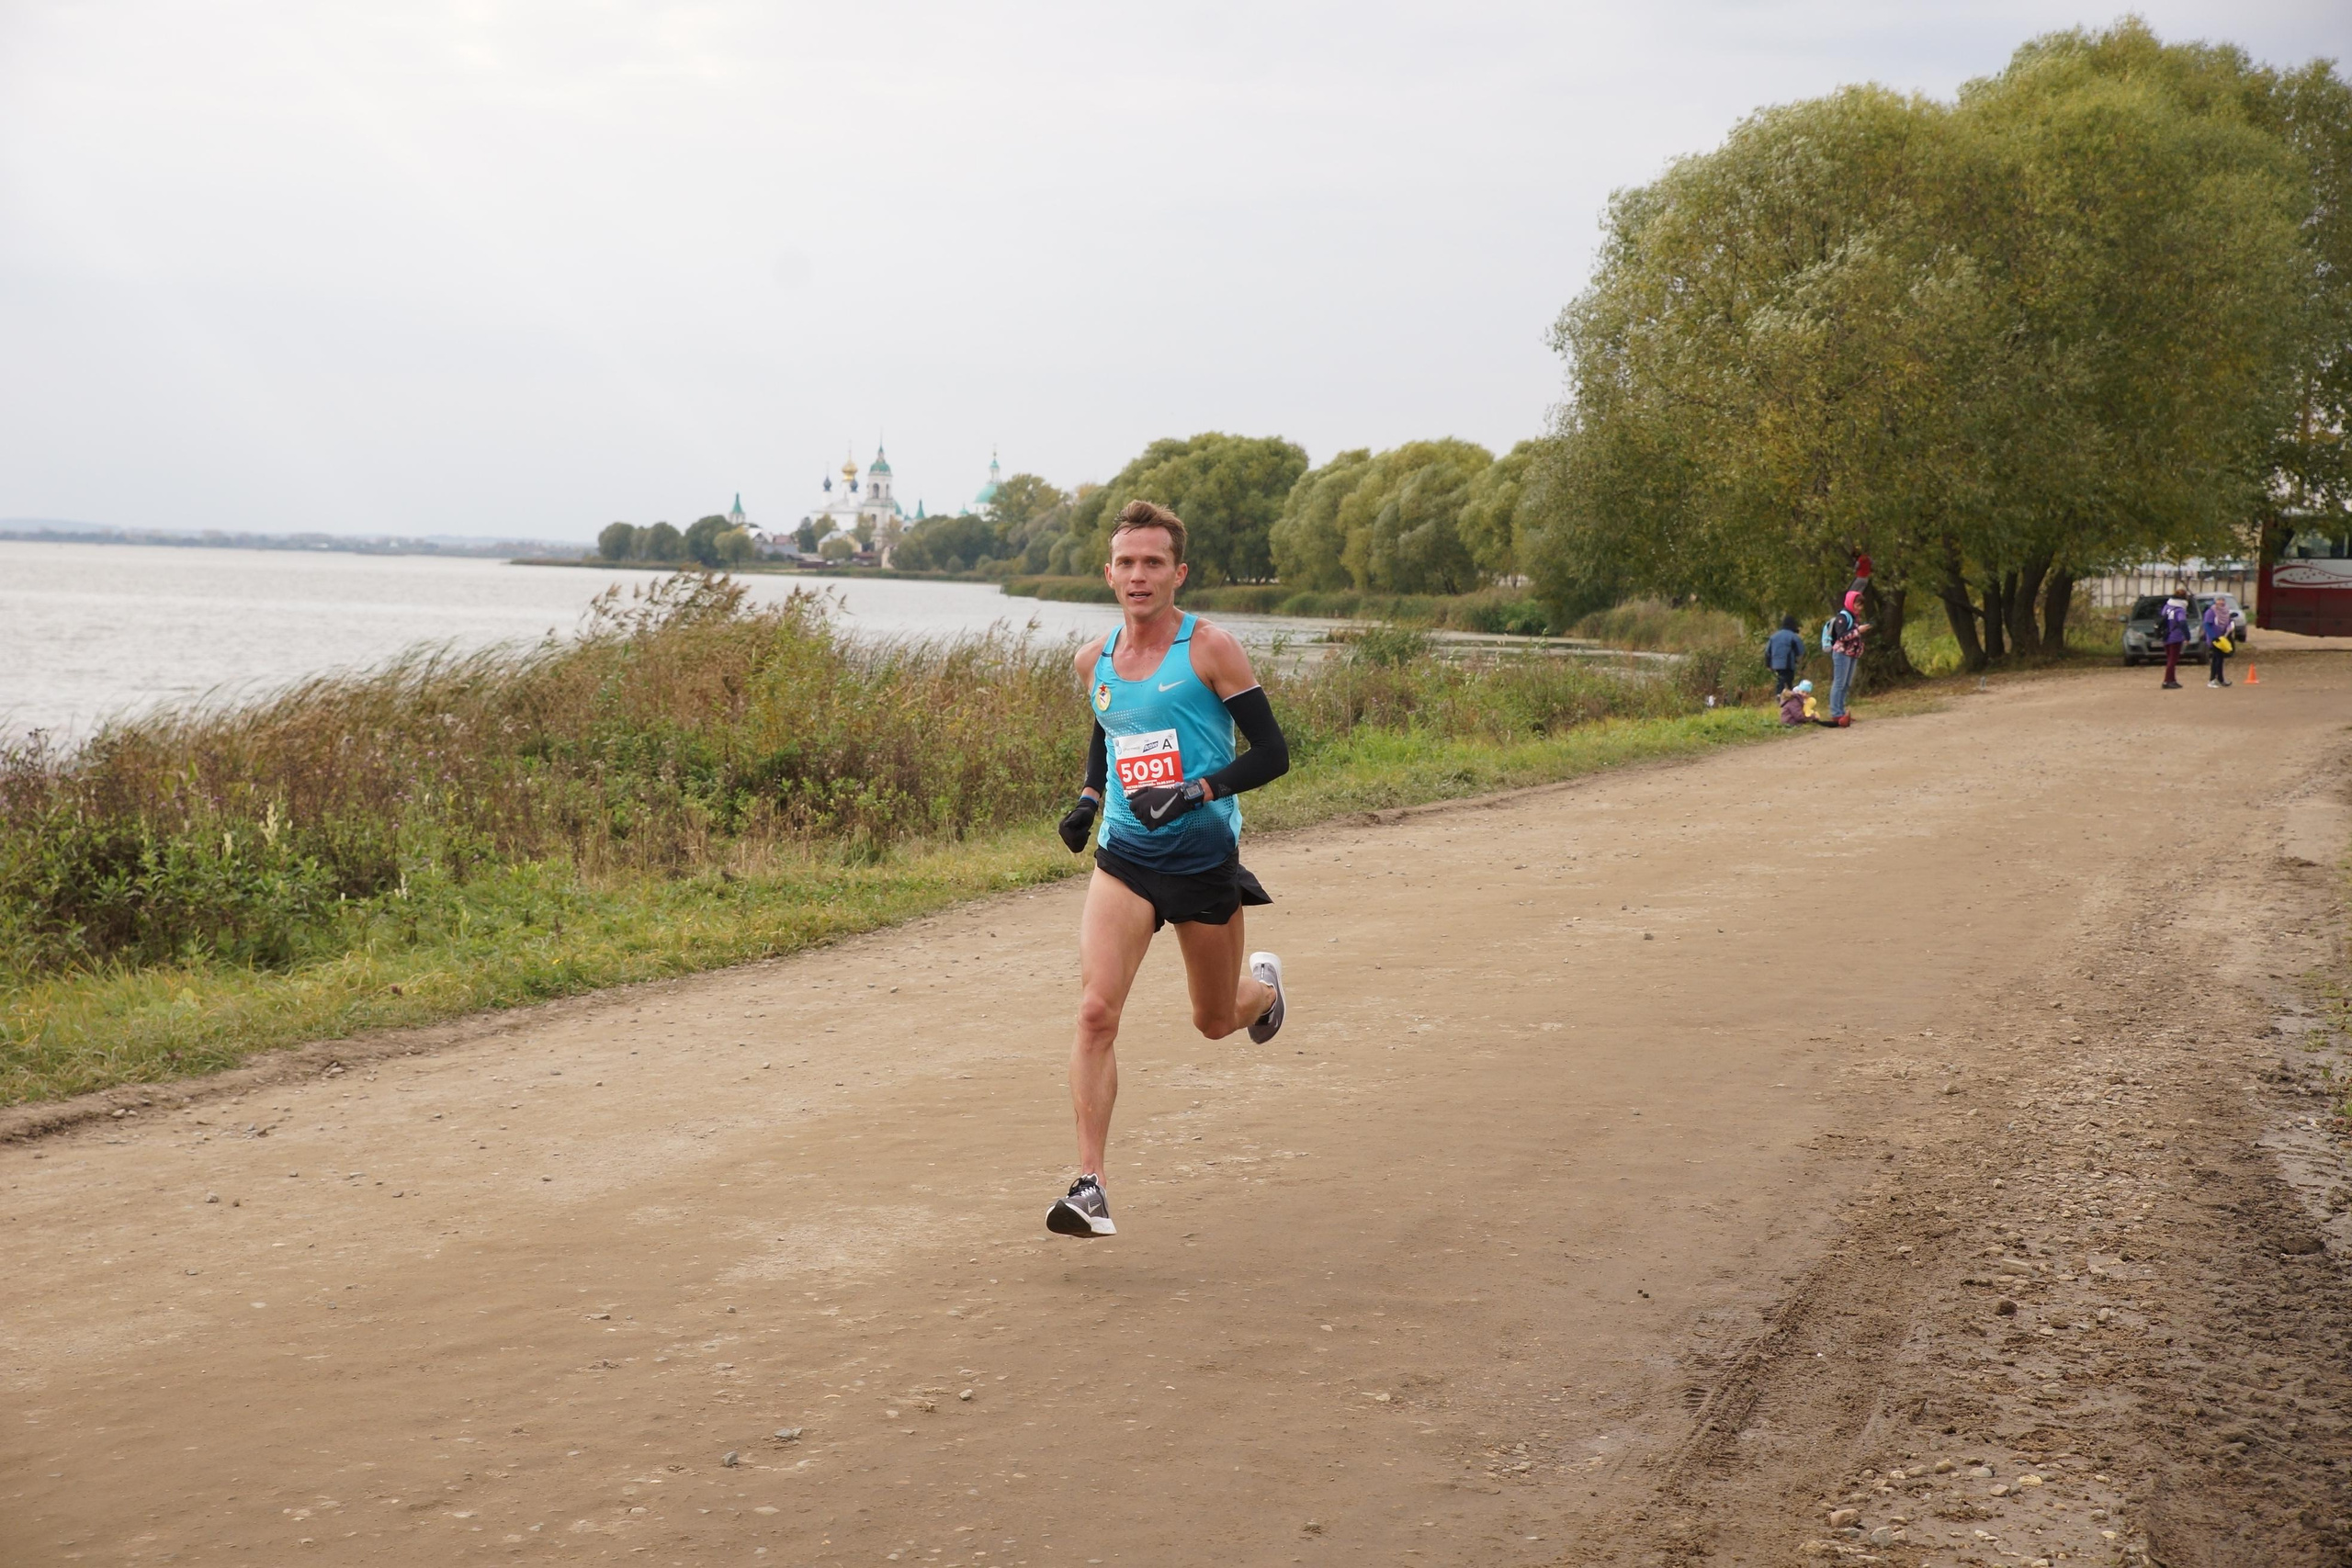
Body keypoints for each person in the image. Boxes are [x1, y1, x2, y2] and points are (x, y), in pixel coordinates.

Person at [1045, 500, 1292, 1239]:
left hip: (1204, 858)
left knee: (1214, 1021)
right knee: (1095, 1011)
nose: (1139, 575)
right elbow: (1109, 725)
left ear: (1177, 573)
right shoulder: (1094, 660)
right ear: (1110, 572)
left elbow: (1272, 753)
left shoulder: (1210, 649)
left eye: (1154, 562)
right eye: (1126, 562)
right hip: (1125, 859)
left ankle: (1265, 992)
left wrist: (1196, 789)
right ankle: (1091, 1185)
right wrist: (1090, 800)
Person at [1826, 591, 1872, 725]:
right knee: (1839, 683)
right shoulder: (1843, 617)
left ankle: (1841, 711)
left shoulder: (1854, 617)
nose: (1859, 608)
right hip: (1842, 653)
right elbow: (1841, 636)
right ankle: (1836, 713)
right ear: (1850, 603)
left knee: (1846, 684)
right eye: (1857, 605)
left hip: (1852, 654)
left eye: (1861, 606)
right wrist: (1858, 631)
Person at [2157, 587, 2190, 689]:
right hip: (2175, 636)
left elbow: (2166, 618)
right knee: (2173, 660)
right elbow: (2182, 622)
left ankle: (2172, 680)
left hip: (2166, 635)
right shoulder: (2180, 610)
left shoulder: (2168, 606)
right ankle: (2167, 681)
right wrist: (2187, 636)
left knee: (2170, 659)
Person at [1765, 614, 1804, 694]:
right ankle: (1785, 697)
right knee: (1787, 681)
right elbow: (1800, 651)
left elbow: (1767, 652)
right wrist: (1799, 662)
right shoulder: (1793, 637)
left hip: (1775, 664)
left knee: (1780, 680)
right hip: (1788, 663)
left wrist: (1768, 664)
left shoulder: (1774, 636)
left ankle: (1780, 696)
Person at [2203, 594, 2234, 688]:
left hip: (2223, 639)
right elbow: (2207, 625)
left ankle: (2221, 679)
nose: (2221, 602)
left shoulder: (2226, 611)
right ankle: (2212, 679)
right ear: (2215, 601)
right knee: (2216, 659)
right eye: (2219, 600)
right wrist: (2213, 637)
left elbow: (2229, 622)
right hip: (2214, 639)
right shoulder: (2211, 611)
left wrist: (2229, 629)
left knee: (2220, 659)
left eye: (2222, 600)